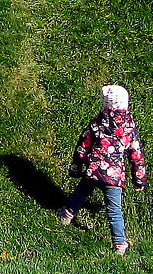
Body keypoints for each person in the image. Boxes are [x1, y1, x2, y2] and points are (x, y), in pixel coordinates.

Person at [56, 84, 147, 255]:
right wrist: (139, 179)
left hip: (93, 170)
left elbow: (83, 144)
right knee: (114, 210)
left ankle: (67, 214)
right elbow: (136, 154)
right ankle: (119, 244)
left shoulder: (98, 122)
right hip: (114, 177)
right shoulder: (129, 127)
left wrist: (77, 167)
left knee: (82, 191)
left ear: (106, 104)